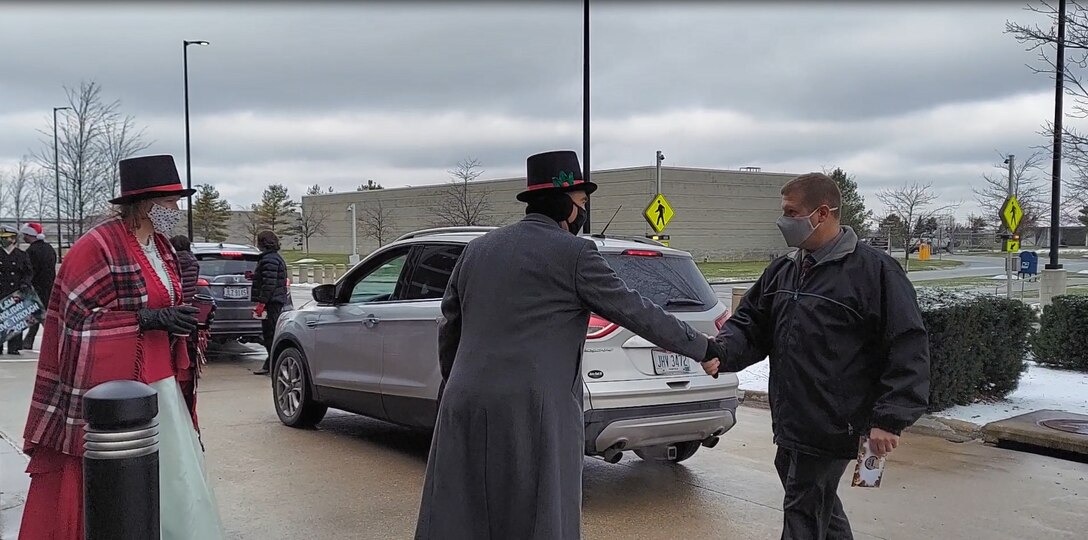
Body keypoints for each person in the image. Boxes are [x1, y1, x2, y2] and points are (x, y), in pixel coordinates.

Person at [414, 150, 718, 540]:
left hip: (465, 403)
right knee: (538, 516)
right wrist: (703, 348)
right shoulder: (574, 254)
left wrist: (457, 382)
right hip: (535, 411)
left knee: (463, 515)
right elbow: (638, 312)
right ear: (566, 205)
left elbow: (449, 326)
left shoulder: (478, 249)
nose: (583, 212)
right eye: (582, 202)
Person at [702, 172, 930, 540]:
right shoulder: (785, 270)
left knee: (803, 511)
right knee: (819, 505)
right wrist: (722, 351)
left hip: (836, 424)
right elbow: (751, 323)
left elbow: (907, 346)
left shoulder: (874, 271)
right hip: (793, 420)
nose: (783, 221)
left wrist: (890, 418)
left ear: (822, 213)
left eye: (791, 212)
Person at [20, 154, 224, 539]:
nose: (176, 210)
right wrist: (145, 320)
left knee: (176, 476)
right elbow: (75, 322)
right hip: (120, 395)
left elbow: (162, 301)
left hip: (162, 386)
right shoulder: (96, 247)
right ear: (145, 203)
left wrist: (180, 320)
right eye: (169, 202)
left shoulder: (161, 248)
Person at [170, 234, 207, 418]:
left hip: (174, 308)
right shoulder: (193, 262)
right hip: (189, 309)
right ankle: (188, 372)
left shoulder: (171, 262)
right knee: (188, 346)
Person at [251, 230, 289, 375]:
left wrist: (261, 303)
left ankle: (273, 364)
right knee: (270, 334)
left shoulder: (269, 259)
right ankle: (270, 363)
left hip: (271, 303)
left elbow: (269, 284)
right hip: (274, 301)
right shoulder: (272, 258)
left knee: (270, 334)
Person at [20, 222, 57, 351]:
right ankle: (28, 341)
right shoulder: (49, 249)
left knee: (39, 314)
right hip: (50, 286)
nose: (23, 237)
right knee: (39, 314)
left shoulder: (31, 251)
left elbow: (30, 270)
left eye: (25, 234)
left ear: (30, 235)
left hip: (36, 287)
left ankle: (52, 340)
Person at [0, 224, 33, 355]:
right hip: (1, 291)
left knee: (15, 319)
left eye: (7, 238)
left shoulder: (21, 255)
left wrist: (25, 283)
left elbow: (28, 272)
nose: (4, 240)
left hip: (16, 291)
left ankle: (14, 346)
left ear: (14, 239)